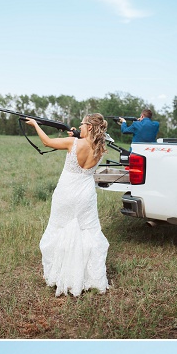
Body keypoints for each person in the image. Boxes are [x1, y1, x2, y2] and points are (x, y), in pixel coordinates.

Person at [26, 114, 110, 296]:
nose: (79, 126)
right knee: (87, 231)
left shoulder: (73, 143)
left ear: (89, 126)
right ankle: (88, 276)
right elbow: (86, 143)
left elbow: (47, 142)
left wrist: (35, 125)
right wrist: (76, 135)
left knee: (59, 228)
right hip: (86, 195)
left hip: (66, 192)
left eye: (82, 124)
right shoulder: (101, 147)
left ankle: (60, 274)